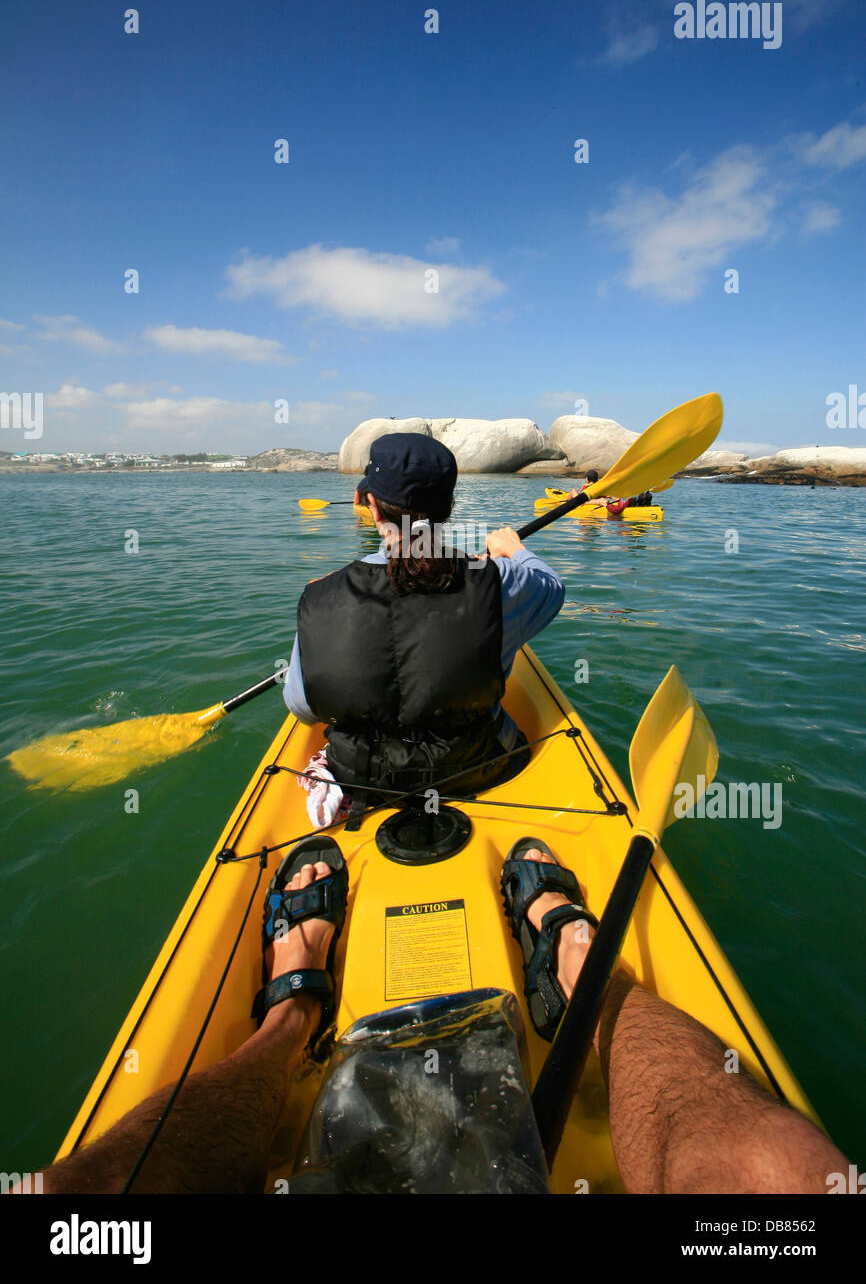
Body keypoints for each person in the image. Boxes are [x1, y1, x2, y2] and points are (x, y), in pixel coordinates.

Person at [38, 841, 847, 1194]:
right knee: (779, 1190)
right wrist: (505, 559)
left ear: (375, 513)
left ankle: (292, 1016)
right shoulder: (496, 586)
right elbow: (545, 593)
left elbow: (302, 691)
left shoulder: (328, 602)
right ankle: (581, 966)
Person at [284, 433, 566, 827]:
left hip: (362, 781)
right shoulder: (499, 582)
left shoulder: (320, 596)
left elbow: (303, 708)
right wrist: (512, 549)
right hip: (479, 769)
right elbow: (552, 588)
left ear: (371, 508)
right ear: (446, 509)